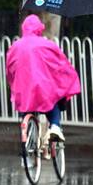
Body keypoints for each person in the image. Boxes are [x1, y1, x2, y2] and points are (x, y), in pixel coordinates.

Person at [6, 14, 80, 142]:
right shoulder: (47, 44)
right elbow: (61, 64)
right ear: (39, 28)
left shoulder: (14, 47)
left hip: (23, 91)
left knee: (26, 108)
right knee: (53, 100)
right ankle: (55, 126)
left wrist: (13, 85)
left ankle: (27, 138)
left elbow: (10, 70)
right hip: (43, 89)